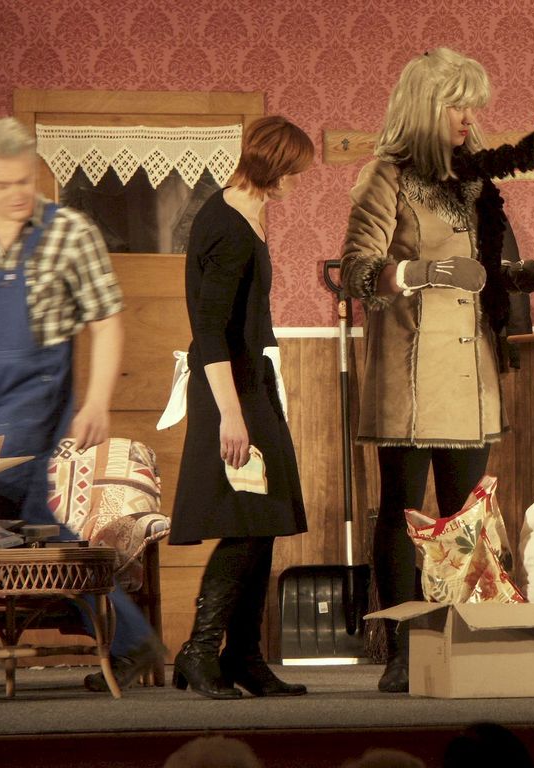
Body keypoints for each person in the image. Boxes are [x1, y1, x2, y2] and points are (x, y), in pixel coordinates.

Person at [340, 47, 534, 693]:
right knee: (401, 511)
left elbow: (479, 269)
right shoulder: (384, 176)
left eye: (473, 105)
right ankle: (402, 652)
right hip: (410, 372)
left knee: (465, 518)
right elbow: (356, 272)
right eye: (457, 105)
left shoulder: (472, 180)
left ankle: (462, 642)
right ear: (424, 108)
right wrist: (422, 271)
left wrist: (509, 277)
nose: (470, 117)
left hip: (471, 369)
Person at [0, 116, 163, 689]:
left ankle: (126, 640)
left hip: (38, 404)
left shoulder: (69, 232)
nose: (17, 194)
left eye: (25, 180)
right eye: (4, 184)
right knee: (36, 533)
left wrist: (97, 401)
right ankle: (129, 641)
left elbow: (106, 320)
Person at [168, 115, 312, 699]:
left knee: (265, 520)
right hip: (229, 391)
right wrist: (231, 414)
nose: (296, 182)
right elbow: (208, 329)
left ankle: (244, 657)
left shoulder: (244, 213)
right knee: (246, 522)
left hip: (252, 384)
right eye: (293, 171)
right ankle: (200, 651)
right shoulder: (226, 225)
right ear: (274, 167)